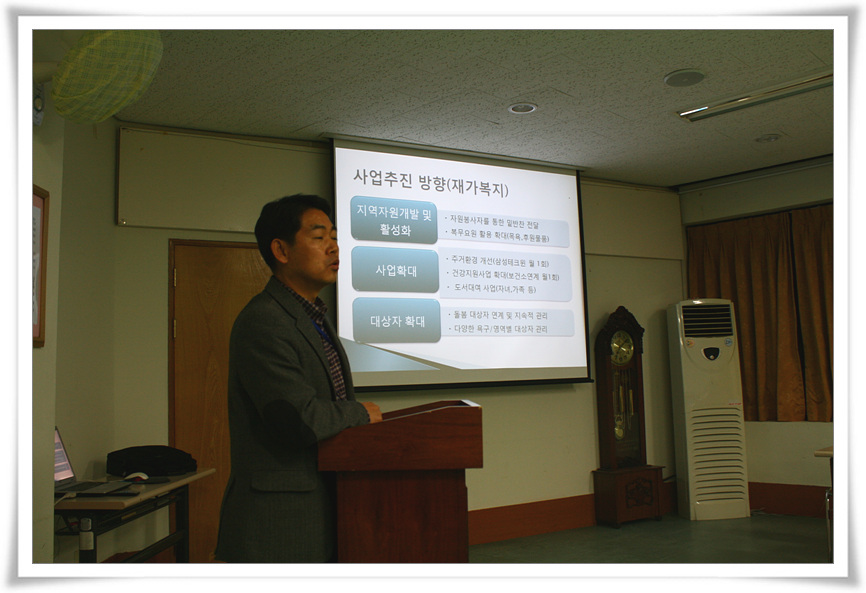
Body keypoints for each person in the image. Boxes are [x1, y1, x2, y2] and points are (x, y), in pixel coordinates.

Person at [214, 193, 381, 563]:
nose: (334, 247)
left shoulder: (313, 317)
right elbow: (296, 419)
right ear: (281, 250)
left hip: (323, 501)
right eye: (319, 237)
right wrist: (358, 413)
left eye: (334, 237)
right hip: (279, 518)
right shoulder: (265, 320)